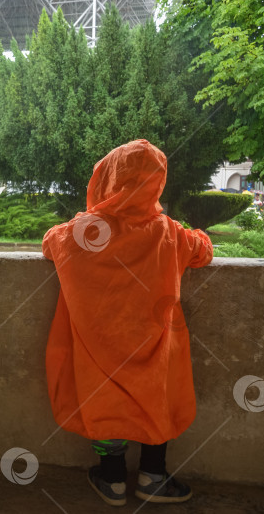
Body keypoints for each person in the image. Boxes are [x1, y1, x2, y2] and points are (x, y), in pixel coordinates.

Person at [42, 139, 213, 507]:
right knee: (158, 400)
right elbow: (203, 251)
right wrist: (186, 230)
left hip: (97, 348)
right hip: (154, 343)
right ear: (157, 182)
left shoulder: (80, 232)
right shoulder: (168, 233)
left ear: (106, 179)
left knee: (103, 403)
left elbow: (48, 243)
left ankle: (113, 478)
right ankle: (153, 476)